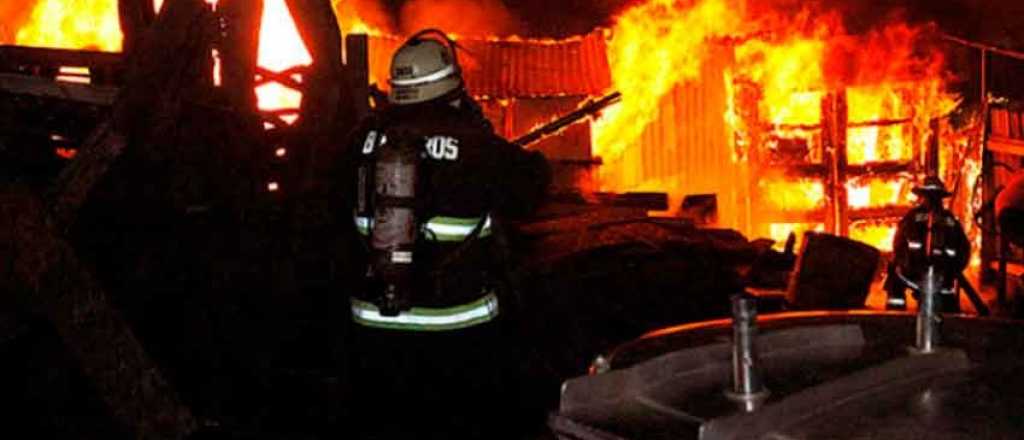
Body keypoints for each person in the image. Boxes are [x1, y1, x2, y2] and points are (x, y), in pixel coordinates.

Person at [335, 29, 551, 439]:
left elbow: (331, 212)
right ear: (450, 82)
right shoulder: (475, 145)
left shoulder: (360, 140)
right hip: (456, 333)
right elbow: (533, 186)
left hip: (373, 329)